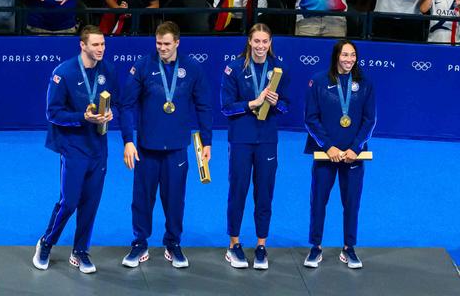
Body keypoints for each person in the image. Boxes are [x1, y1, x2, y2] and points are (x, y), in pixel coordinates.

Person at [119, 21, 214, 270]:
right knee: (142, 199)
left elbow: (204, 106)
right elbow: (126, 105)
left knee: (175, 200)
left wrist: (207, 141)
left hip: (177, 149)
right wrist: (128, 140)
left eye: (167, 44)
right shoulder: (142, 66)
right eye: (158, 43)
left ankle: (173, 244)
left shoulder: (193, 68)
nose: (161, 48)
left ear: (177, 43)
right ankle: (139, 244)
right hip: (147, 149)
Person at [34, 27, 116, 274]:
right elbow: (53, 113)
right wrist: (83, 117)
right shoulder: (64, 73)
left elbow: (117, 103)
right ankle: (46, 243)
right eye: (95, 45)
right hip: (73, 148)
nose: (100, 49)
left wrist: (112, 114)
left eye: (102, 44)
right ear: (83, 45)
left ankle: (80, 251)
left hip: (99, 147)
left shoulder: (108, 70)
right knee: (69, 202)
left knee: (91, 203)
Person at [303, 39, 376, 270]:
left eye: (352, 55)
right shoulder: (319, 81)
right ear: (336, 56)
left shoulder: (365, 84)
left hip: (353, 155)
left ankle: (349, 248)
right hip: (327, 155)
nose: (349, 60)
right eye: (345, 55)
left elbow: (369, 120)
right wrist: (328, 146)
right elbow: (310, 118)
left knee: (352, 203)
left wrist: (355, 148)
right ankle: (315, 247)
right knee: (318, 202)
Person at [221, 24, 289, 270]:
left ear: (270, 43)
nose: (261, 46)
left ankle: (261, 246)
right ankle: (234, 244)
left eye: (265, 41)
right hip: (241, 139)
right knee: (238, 190)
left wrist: (276, 101)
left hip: (267, 140)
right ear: (249, 42)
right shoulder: (234, 69)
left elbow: (288, 107)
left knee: (264, 193)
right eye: (256, 41)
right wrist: (254, 102)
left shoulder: (279, 69)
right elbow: (226, 107)